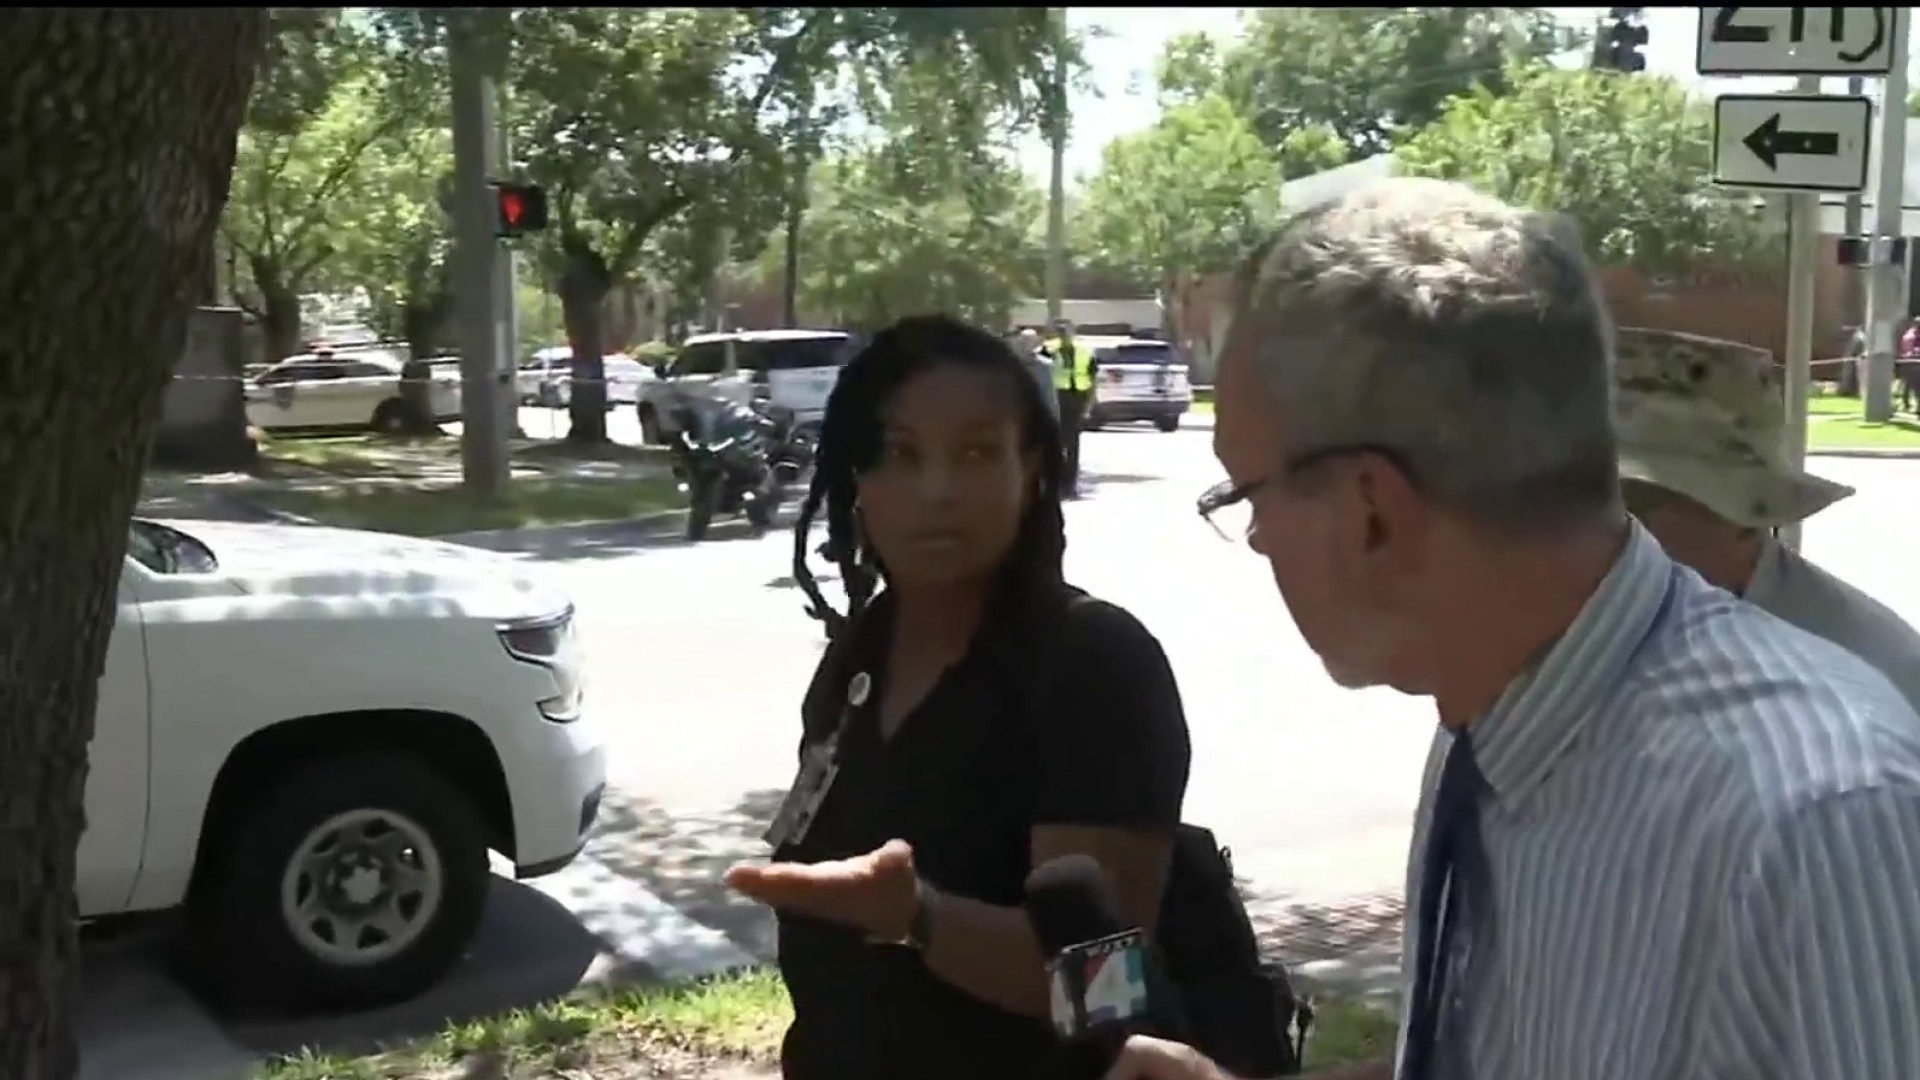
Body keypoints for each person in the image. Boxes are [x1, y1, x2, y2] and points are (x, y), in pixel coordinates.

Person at [1107, 177, 1920, 1080]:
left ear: (1372, 511)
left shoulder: (1816, 817)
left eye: (1245, 492)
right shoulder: (1495, 723)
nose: (1254, 538)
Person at [723, 313, 1193, 1080]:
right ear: (858, 478)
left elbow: (1102, 995)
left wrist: (919, 917)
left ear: (1031, 465)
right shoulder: (857, 660)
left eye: (976, 452)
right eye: (902, 454)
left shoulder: (1092, 662)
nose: (937, 490)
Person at [1612, 326, 1920, 710]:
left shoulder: (1865, 669)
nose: (1593, 530)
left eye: (1635, 503)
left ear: (1740, 515)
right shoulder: (1612, 628)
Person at [1044, 319, 1098, 497]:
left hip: (1076, 399)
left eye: (1066, 331)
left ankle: (1070, 486)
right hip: (1056, 398)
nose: (1063, 334)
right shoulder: (1048, 349)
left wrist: (1089, 406)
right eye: (1060, 331)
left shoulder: (1084, 351)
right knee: (1054, 443)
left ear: (1072, 332)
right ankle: (1055, 484)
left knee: (1073, 445)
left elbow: (1093, 380)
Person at [1014, 326, 1060, 422]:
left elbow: (1049, 392)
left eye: (1030, 341)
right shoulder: (1012, 362)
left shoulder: (1044, 362)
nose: (1026, 344)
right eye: (1024, 341)